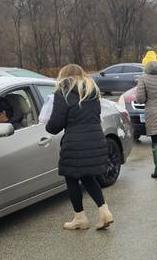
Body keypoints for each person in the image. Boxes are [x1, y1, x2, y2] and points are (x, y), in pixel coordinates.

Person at [45, 64, 113, 231]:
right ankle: (104, 211)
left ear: (63, 75)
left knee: (72, 177)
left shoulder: (63, 93)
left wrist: (47, 125)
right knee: (89, 177)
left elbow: (55, 125)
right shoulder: (92, 92)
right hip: (96, 140)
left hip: (75, 143)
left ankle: (80, 218)